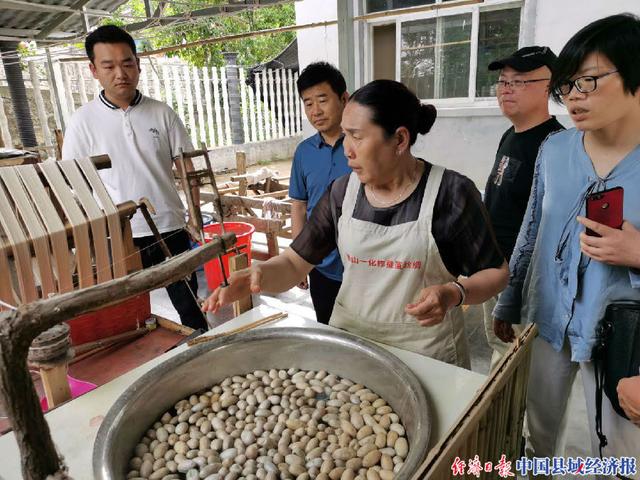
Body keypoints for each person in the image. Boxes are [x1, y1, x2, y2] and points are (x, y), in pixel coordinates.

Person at [204, 79, 508, 368]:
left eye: (357, 136)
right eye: (345, 135)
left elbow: (496, 272)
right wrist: (261, 273)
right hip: (353, 346)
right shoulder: (341, 193)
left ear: (400, 139)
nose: (347, 149)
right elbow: (295, 263)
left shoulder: (451, 193)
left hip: (426, 353)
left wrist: (455, 293)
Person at [493, 13, 640, 466]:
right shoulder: (554, 150)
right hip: (550, 317)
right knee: (539, 426)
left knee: (615, 450)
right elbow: (532, 228)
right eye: (567, 86)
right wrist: (508, 300)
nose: (573, 98)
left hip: (624, 335)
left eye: (589, 81)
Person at [62, 25, 208, 331]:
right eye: (109, 66)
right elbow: (74, 185)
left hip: (170, 228)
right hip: (118, 237)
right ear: (93, 70)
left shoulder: (162, 114)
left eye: (127, 63)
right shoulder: (82, 123)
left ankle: (203, 356)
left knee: (190, 307)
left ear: (138, 64)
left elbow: (187, 170)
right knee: (125, 318)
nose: (120, 73)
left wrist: (194, 217)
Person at [482, 46, 564, 365]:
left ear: (549, 86)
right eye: (503, 81)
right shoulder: (510, 134)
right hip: (493, 269)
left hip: (522, 284)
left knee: (518, 363)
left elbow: (550, 231)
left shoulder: (555, 145)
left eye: (518, 81)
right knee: (499, 350)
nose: (506, 89)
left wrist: (514, 293)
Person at [289, 62, 351, 324]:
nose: (315, 111)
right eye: (308, 103)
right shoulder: (304, 152)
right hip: (321, 266)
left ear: (344, 99)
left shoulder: (363, 146)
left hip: (361, 267)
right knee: (328, 331)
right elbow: (299, 206)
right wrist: (299, 259)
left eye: (322, 100)